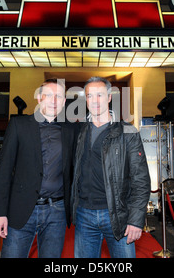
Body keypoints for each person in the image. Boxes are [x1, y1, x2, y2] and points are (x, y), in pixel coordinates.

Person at [0, 78, 76, 258]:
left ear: (63, 101)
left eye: (59, 97)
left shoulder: (71, 130)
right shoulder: (19, 125)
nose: (54, 101)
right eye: (49, 96)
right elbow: (4, 171)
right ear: (39, 98)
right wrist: (0, 213)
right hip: (21, 209)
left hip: (57, 212)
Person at [71, 76, 151, 258]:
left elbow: (141, 179)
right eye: (90, 96)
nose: (95, 100)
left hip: (117, 215)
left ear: (109, 97)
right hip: (84, 214)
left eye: (100, 95)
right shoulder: (79, 132)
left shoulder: (128, 132)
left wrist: (136, 220)